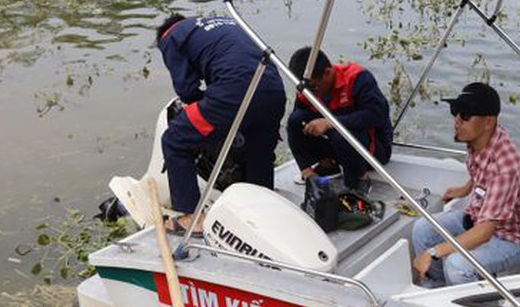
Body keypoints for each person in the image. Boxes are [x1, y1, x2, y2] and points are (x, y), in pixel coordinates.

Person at [156, 14, 286, 234]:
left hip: (233, 91)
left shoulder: (170, 37)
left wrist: (204, 102)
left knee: (175, 140)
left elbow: (186, 89)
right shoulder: (223, 22)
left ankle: (191, 218)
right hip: (273, 89)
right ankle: (261, 212)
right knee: (258, 151)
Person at [411, 82, 520, 287]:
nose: (456, 121)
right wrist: (465, 189)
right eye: (455, 112)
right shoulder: (479, 139)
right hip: (479, 216)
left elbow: (484, 233)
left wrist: (433, 253)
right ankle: (435, 288)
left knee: (457, 264)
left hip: (511, 238)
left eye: (465, 116)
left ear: (489, 121)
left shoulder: (506, 165)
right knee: (422, 229)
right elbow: (481, 171)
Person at [287, 47, 393, 194]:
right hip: (339, 146)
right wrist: (306, 169)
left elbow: (376, 116)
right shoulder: (308, 90)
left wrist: (330, 122)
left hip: (372, 148)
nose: (311, 93)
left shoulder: (357, 79)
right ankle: (323, 168)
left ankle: (359, 178)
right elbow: (296, 126)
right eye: (306, 89)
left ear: (328, 72)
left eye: (314, 87)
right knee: (296, 120)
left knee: (339, 133)